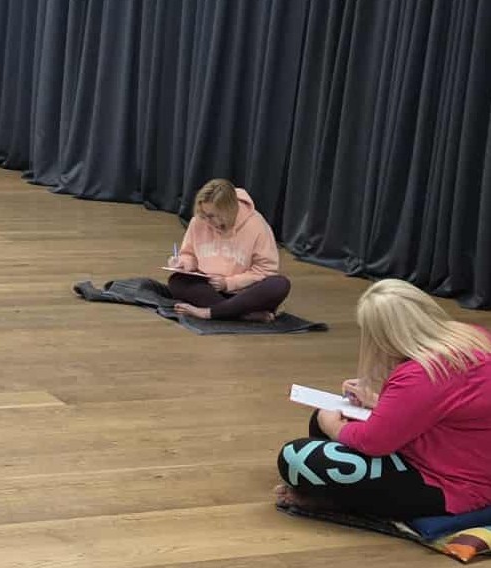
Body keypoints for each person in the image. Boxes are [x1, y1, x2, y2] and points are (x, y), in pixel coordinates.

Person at [276, 279, 491, 520]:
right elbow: (442, 408)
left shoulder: (422, 373)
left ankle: (335, 500)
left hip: (454, 485)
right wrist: (377, 402)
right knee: (330, 421)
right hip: (459, 458)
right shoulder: (472, 338)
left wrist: (333, 426)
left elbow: (373, 442)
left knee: (296, 455)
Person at [167, 178, 290, 321]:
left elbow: (265, 270)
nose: (207, 221)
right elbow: (189, 254)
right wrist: (183, 263)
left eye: (212, 216)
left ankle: (209, 312)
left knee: (279, 284)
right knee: (177, 280)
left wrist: (229, 283)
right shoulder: (199, 221)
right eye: (203, 215)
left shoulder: (257, 225)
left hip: (245, 293)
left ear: (228, 210)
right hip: (210, 289)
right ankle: (242, 315)